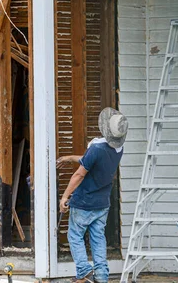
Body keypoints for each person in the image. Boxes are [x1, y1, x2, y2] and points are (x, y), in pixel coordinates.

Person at [56, 107, 128, 283]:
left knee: (75, 236)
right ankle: (102, 275)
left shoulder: (96, 147)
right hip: (102, 203)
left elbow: (80, 174)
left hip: (84, 202)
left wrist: (65, 196)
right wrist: (68, 158)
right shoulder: (118, 149)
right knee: (98, 238)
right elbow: (90, 159)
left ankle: (83, 271)